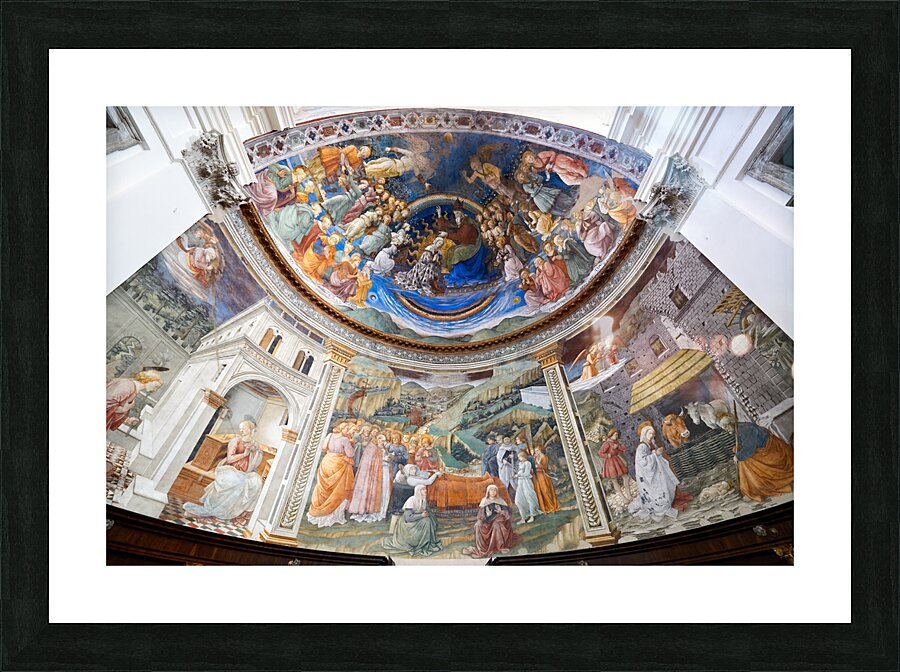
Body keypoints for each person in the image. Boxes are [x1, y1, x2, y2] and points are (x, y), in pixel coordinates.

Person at [183, 421, 263, 520]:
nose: (241, 430)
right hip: (229, 469)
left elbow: (255, 463)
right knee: (239, 482)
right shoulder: (236, 441)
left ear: (250, 429)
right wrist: (244, 454)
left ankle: (241, 512)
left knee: (257, 481)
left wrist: (255, 452)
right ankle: (220, 510)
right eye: (240, 428)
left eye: (244, 428)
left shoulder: (255, 445)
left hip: (246, 472)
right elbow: (230, 459)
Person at [720, 414, 794, 502]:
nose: (726, 429)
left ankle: (756, 488)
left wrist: (738, 456)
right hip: (762, 448)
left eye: (726, 427)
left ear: (731, 424)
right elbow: (747, 443)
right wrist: (739, 447)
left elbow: (750, 447)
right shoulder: (740, 428)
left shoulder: (744, 429)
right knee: (742, 457)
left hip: (770, 449)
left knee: (745, 462)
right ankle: (752, 487)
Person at [627, 424, 686, 522]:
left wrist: (657, 453)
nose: (652, 436)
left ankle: (666, 500)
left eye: (653, 434)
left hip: (653, 471)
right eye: (650, 433)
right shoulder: (642, 446)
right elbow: (643, 461)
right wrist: (655, 454)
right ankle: (659, 505)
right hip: (646, 475)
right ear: (645, 434)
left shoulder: (650, 444)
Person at [307, 422, 356, 527]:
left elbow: (324, 448)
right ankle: (334, 516)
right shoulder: (345, 440)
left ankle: (320, 513)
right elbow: (350, 454)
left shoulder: (330, 435)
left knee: (324, 488)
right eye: (347, 429)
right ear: (342, 429)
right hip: (339, 464)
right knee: (338, 490)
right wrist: (352, 443)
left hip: (327, 462)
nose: (348, 431)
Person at [462, 485, 522, 558]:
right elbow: (480, 515)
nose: (493, 492)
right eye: (491, 490)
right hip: (486, 521)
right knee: (477, 525)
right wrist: (486, 516)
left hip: (498, 520)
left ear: (496, 492)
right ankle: (482, 548)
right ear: (488, 492)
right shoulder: (484, 501)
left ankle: (500, 546)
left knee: (496, 525)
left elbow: (508, 514)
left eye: (494, 490)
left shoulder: (500, 500)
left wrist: (501, 512)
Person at [382, 484, 442, 557]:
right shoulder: (411, 500)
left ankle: (425, 542)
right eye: (423, 489)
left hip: (417, 521)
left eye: (425, 489)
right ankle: (420, 543)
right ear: (418, 491)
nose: (425, 491)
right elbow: (408, 518)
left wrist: (433, 521)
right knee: (426, 521)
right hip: (407, 525)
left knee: (428, 520)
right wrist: (421, 515)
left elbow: (428, 512)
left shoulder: (423, 500)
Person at [348, 432, 391, 523]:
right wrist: (384, 459)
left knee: (383, 491)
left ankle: (380, 511)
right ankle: (366, 510)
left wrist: (389, 458)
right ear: (377, 439)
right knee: (370, 490)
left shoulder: (383, 448)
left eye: (384, 440)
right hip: (372, 475)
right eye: (381, 439)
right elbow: (370, 460)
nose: (382, 442)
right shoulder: (372, 447)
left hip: (383, 471)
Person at [387, 465, 441, 532]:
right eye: (411, 469)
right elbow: (428, 482)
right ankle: (393, 530)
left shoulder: (412, 477)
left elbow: (423, 474)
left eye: (415, 469)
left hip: (406, 498)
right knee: (399, 515)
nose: (414, 471)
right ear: (407, 470)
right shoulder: (410, 479)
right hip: (404, 500)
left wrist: (432, 471)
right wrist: (435, 474)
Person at [598, 428, 634, 503]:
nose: (616, 436)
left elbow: (624, 449)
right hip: (610, 463)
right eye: (615, 435)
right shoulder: (607, 443)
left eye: (617, 435)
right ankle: (623, 498)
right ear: (611, 435)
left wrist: (618, 446)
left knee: (626, 477)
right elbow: (600, 453)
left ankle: (629, 495)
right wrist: (607, 455)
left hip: (617, 460)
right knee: (614, 480)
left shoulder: (616, 442)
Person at [514, 450, 541, 524]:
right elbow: (520, 472)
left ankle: (532, 515)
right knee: (518, 500)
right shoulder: (520, 464)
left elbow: (526, 473)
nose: (519, 459)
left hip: (526, 482)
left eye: (520, 457)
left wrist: (518, 475)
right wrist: (516, 472)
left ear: (524, 457)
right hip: (520, 483)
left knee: (529, 497)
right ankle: (524, 517)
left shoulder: (528, 463)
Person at [532, 445, 560, 513]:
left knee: (546, 490)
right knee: (539, 490)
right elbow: (534, 466)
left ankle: (551, 506)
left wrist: (537, 464)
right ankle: (544, 507)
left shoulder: (544, 457)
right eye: (535, 451)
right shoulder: (536, 457)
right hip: (538, 476)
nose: (536, 452)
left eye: (537, 450)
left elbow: (545, 467)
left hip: (543, 476)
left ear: (541, 450)